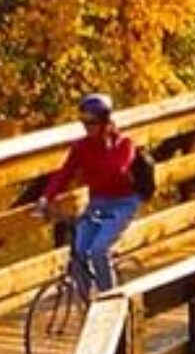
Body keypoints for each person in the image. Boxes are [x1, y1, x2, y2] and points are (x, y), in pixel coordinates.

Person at [36, 93, 145, 294]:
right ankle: (86, 301)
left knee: (98, 250)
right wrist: (45, 198)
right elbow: (64, 173)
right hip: (98, 203)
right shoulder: (81, 147)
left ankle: (109, 302)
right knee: (78, 251)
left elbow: (117, 169)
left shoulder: (124, 144)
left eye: (92, 122)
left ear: (105, 122)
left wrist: (106, 145)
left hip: (123, 203)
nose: (87, 127)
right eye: (83, 122)